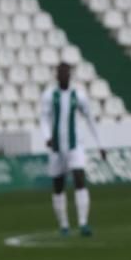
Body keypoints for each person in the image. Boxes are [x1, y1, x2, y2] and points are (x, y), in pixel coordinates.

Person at [41, 63, 105, 237]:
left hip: (75, 145)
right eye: (61, 73)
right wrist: (47, 137)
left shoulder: (79, 95)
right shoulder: (49, 95)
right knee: (58, 185)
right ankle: (64, 225)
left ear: (70, 76)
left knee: (79, 178)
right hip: (56, 147)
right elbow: (44, 118)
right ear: (57, 76)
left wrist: (100, 144)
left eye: (66, 73)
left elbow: (90, 119)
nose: (64, 76)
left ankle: (83, 223)